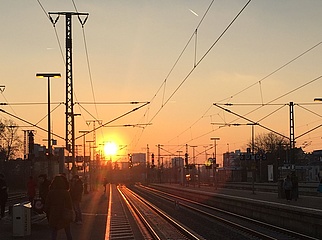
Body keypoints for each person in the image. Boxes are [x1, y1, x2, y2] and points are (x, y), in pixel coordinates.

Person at [44, 175, 73, 240]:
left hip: (53, 214)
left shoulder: (51, 192)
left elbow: (47, 205)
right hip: (64, 214)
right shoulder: (66, 192)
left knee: (53, 232)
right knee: (68, 232)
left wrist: (48, 212)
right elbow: (70, 205)